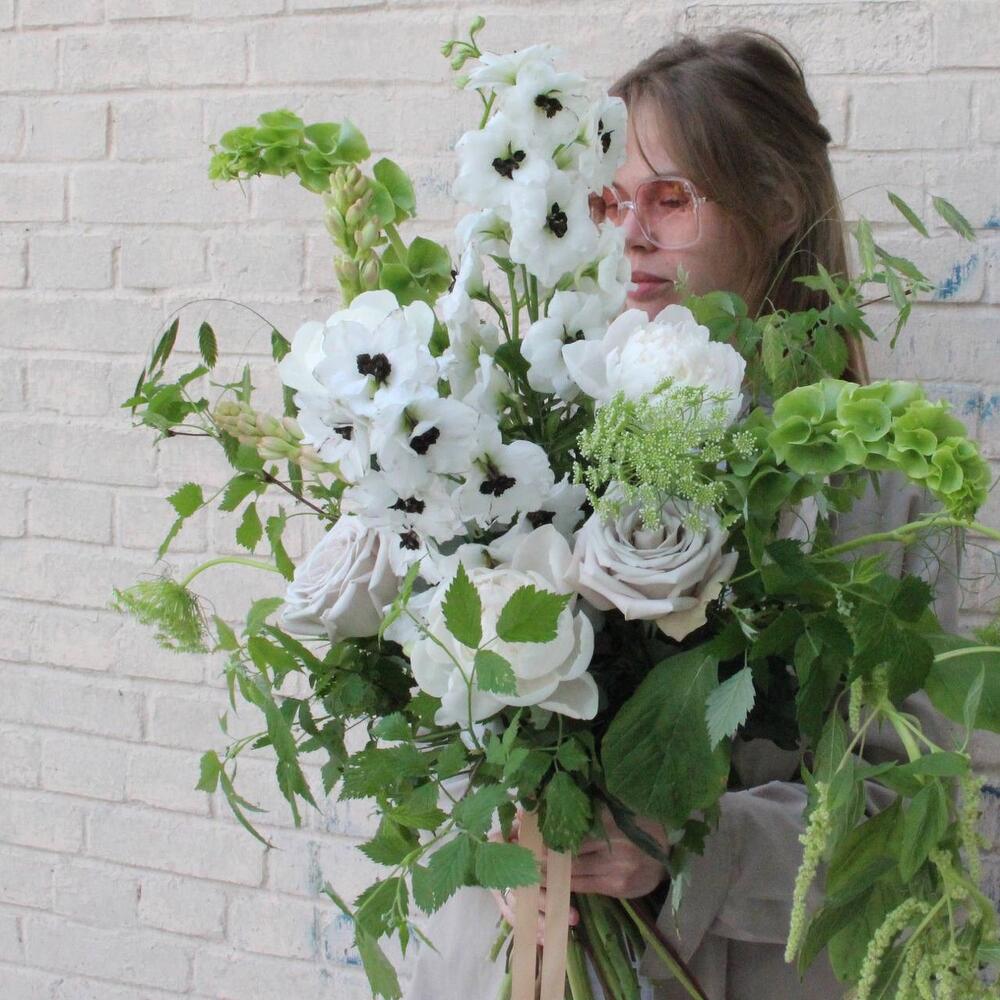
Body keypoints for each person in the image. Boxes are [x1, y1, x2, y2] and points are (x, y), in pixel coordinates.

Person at [404, 29, 987, 1000]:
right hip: (506, 953)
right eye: (609, 199)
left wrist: (686, 847)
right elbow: (447, 691)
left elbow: (900, 802)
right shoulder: (528, 427)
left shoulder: (875, 484)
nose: (631, 232)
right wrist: (502, 812)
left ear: (776, 206)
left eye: (670, 198)